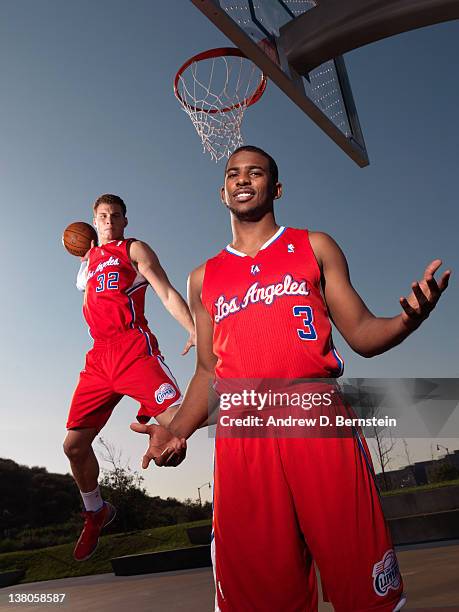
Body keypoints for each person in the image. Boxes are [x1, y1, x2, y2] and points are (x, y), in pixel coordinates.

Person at [131, 147, 450, 611]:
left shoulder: (314, 246)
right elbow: (207, 373)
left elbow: (361, 333)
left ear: (275, 188)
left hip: (317, 423)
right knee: (261, 595)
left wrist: (407, 321)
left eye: (256, 172)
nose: (243, 179)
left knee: (364, 590)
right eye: (234, 174)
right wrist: (176, 429)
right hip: (244, 436)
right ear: (222, 193)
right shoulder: (203, 278)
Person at [64, 193, 195, 562]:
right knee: (73, 447)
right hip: (98, 358)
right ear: (94, 220)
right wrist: (83, 252)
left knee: (181, 423)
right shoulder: (87, 264)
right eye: (102, 215)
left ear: (124, 222)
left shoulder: (134, 250)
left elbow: (165, 290)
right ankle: (96, 511)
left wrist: (194, 328)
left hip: (132, 349)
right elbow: (85, 283)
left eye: (115, 215)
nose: (108, 220)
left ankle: (263, 411)